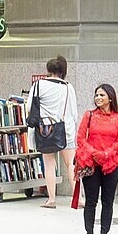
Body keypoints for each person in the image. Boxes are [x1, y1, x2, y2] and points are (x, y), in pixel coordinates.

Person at [74, 83, 118, 234]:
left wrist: (106, 154)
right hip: (91, 163)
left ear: (110, 98)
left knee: (108, 201)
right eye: (96, 95)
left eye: (102, 95)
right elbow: (81, 138)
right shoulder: (89, 115)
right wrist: (94, 153)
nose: (98, 98)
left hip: (111, 164)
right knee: (91, 201)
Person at [28, 55, 78, 208]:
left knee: (49, 164)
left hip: (45, 130)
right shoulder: (68, 87)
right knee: (71, 164)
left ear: (48, 70)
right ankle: (79, 198)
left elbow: (30, 108)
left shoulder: (38, 85)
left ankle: (51, 199)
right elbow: (74, 113)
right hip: (66, 129)